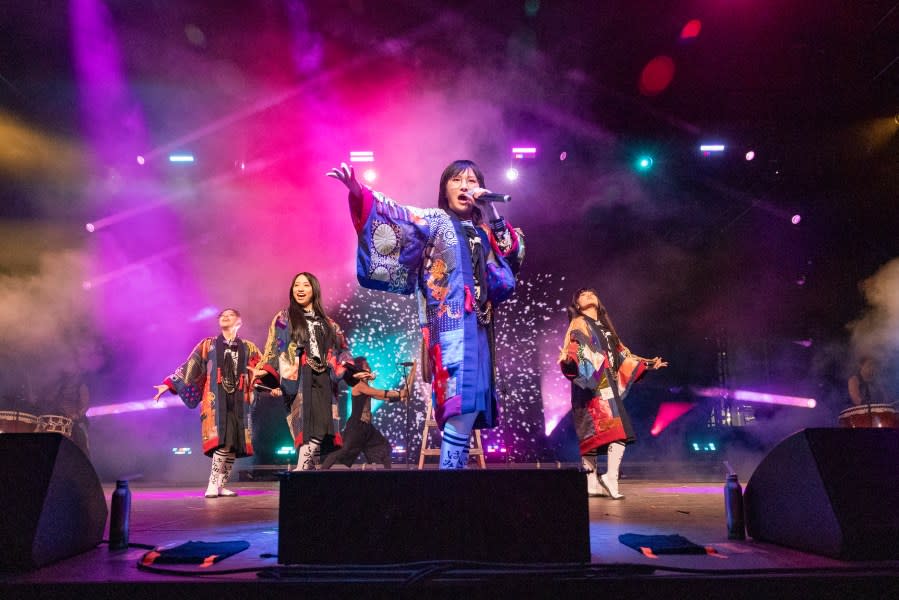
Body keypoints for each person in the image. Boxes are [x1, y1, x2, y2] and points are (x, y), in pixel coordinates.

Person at [328, 159, 524, 469]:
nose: (465, 186)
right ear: (444, 189)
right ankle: (448, 476)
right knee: (458, 402)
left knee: (471, 404)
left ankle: (452, 475)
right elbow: (394, 215)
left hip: (479, 327)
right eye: (457, 180)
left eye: (471, 181)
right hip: (448, 327)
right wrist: (358, 191)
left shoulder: (484, 229)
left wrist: (491, 210)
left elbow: (510, 253)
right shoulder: (434, 220)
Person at [558, 288, 667, 499]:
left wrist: (650, 365)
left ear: (599, 303)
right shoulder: (579, 323)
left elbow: (623, 356)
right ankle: (603, 479)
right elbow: (576, 348)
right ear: (577, 306)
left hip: (605, 383)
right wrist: (573, 360)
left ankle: (600, 481)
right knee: (599, 433)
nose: (589, 295)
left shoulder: (607, 330)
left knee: (611, 433)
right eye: (582, 294)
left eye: (592, 293)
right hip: (591, 383)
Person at [254, 272, 358, 471]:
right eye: (296, 285)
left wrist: (352, 370)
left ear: (314, 289)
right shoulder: (284, 318)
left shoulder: (330, 324)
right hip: (298, 379)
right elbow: (276, 347)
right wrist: (266, 371)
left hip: (324, 379)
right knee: (306, 430)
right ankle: (303, 472)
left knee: (318, 429)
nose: (300, 289)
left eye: (305, 285)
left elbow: (343, 350)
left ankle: (302, 472)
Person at [153, 308, 262, 498]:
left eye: (231, 315)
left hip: (239, 400)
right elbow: (190, 367)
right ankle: (212, 483)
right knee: (222, 443)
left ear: (239, 322)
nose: (225, 317)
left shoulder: (249, 347)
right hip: (215, 400)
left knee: (232, 445)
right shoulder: (208, 345)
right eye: (222, 315)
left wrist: (266, 385)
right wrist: (169, 385)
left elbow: (261, 369)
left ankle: (221, 484)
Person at [320, 356, 409, 470]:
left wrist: (400, 397)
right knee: (344, 451)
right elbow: (379, 392)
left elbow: (381, 397)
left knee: (385, 448)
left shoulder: (366, 386)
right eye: (366, 366)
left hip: (367, 428)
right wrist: (399, 393)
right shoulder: (358, 386)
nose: (370, 368)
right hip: (356, 426)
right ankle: (321, 472)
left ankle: (389, 477)